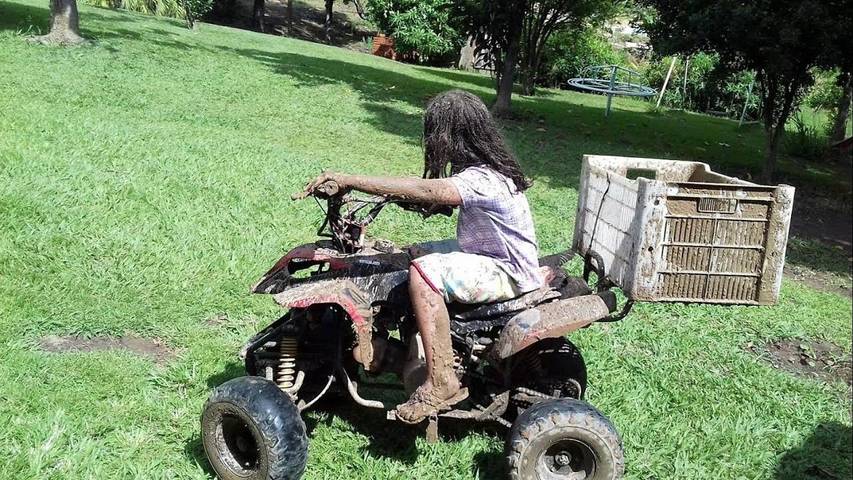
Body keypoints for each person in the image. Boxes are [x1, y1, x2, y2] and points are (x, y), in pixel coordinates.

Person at [298, 90, 542, 424]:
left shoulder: (482, 177)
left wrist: (351, 181)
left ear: (450, 137)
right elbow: (433, 201)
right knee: (411, 254)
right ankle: (405, 351)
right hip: (491, 255)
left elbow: (430, 192)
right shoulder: (486, 169)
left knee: (424, 271)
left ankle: (441, 380)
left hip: (507, 269)